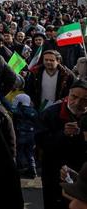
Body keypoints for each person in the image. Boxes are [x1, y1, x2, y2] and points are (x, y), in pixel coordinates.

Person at [37, 80, 87, 209]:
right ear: (68, 95)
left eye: (84, 100)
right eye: (74, 97)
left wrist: (81, 135)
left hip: (82, 180)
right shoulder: (50, 114)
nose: (77, 103)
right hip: (53, 176)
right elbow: (40, 142)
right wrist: (62, 134)